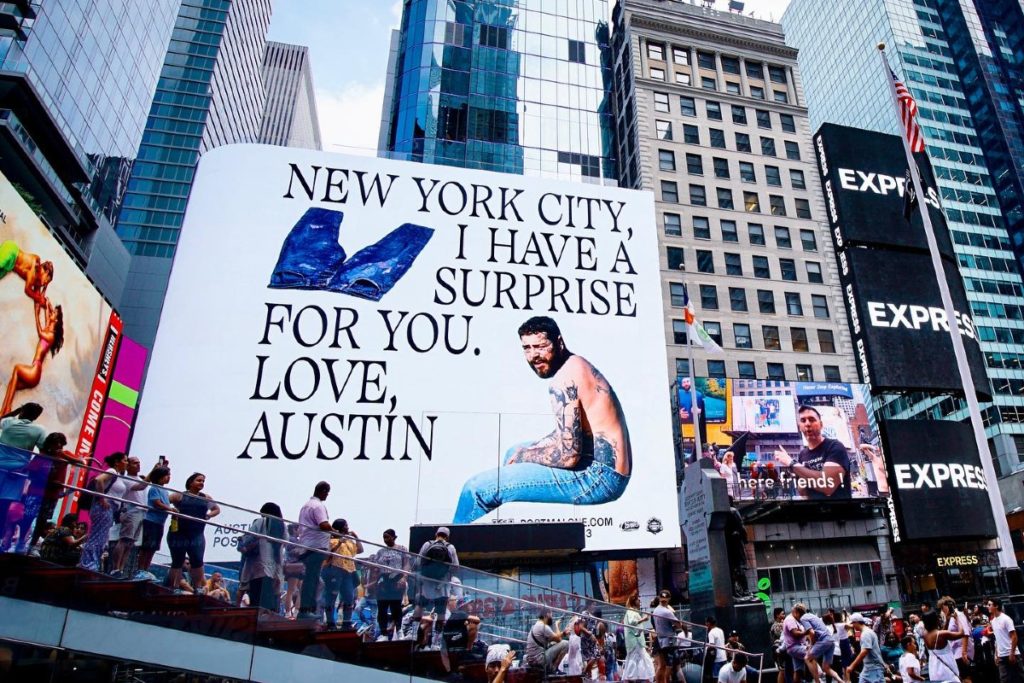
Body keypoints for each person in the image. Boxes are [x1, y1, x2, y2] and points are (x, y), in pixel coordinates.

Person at [453, 316, 632, 523]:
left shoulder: (564, 380)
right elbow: (567, 434)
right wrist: (526, 452)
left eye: (540, 346)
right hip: (604, 468)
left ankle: (443, 553)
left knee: (475, 489)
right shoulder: (577, 364)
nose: (534, 355)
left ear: (559, 342)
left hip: (598, 478)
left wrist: (526, 457)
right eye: (527, 348)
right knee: (514, 451)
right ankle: (507, 524)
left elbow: (568, 456)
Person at [771, 405, 851, 499]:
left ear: (821, 424)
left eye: (812, 419)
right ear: (800, 427)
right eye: (803, 420)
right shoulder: (802, 454)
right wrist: (800, 479)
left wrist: (791, 463)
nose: (807, 424)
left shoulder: (835, 446)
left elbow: (828, 486)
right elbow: (803, 493)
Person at [2, 299, 64, 415]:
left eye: (54, 313)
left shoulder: (51, 335)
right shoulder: (49, 328)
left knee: (17, 368)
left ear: (56, 319)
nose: (51, 313)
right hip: (34, 370)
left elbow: (40, 332)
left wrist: (36, 314)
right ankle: (2, 412)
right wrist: (48, 305)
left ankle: (8, 409)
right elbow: (47, 313)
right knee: (12, 384)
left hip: (35, 371)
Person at [165, 472, 220, 594]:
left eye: (203, 481)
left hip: (197, 534)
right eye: (199, 480)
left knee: (197, 560)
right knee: (177, 561)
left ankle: (198, 588)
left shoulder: (206, 498)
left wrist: (208, 515)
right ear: (190, 482)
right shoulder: (179, 496)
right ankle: (173, 587)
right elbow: (164, 500)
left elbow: (216, 509)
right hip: (179, 533)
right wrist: (171, 510)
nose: (201, 483)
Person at [78, 451, 127, 571]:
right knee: (97, 537)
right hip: (104, 507)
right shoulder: (112, 471)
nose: (126, 463)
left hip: (109, 508)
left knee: (100, 536)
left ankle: (90, 563)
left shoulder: (117, 474)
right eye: (124, 460)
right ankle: (88, 564)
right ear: (117, 462)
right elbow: (99, 480)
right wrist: (102, 498)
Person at [414, 526, 459, 646]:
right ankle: (436, 642)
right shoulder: (450, 547)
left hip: (426, 583)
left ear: (436, 534)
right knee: (440, 613)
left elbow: (418, 562)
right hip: (442, 586)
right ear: (447, 536)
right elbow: (455, 567)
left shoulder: (427, 544)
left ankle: (413, 633)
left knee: (420, 606)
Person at [27, 432, 72, 550]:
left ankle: (32, 545)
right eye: (56, 444)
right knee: (28, 517)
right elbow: (30, 472)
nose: (58, 447)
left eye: (61, 444)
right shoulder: (42, 456)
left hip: (52, 495)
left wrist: (63, 455)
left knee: (42, 521)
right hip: (36, 491)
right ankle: (22, 541)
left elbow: (80, 462)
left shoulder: (65, 455)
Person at [240, 502, 285, 611]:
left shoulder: (261, 522)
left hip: (260, 566)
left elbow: (248, 539)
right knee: (270, 599)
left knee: (256, 600)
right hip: (275, 568)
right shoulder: (282, 526)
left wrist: (242, 542)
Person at [296, 481, 332, 618]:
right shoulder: (318, 506)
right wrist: (334, 531)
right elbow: (323, 524)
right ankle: (305, 611)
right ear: (323, 491)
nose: (327, 495)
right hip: (315, 547)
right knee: (311, 579)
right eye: (327, 493)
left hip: (307, 546)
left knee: (313, 579)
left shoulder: (306, 506)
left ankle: (309, 610)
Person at [322, 518, 363, 630]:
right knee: (332, 596)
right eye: (345, 525)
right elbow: (327, 555)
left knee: (349, 598)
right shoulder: (330, 540)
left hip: (348, 572)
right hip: (335, 570)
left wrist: (356, 537)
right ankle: (330, 623)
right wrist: (339, 543)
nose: (348, 527)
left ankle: (346, 623)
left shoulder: (349, 541)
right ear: (340, 528)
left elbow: (360, 550)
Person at [368, 528, 409, 640]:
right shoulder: (380, 552)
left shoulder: (402, 549)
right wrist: (374, 582)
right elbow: (376, 568)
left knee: (396, 607)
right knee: (382, 608)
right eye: (384, 537)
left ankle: (399, 630)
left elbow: (406, 564)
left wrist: (404, 577)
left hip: (396, 578)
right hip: (383, 580)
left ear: (394, 537)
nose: (386, 539)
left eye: (388, 537)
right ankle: (383, 633)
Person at [110, 455, 147, 578]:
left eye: (139, 462)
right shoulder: (125, 479)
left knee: (130, 543)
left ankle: (121, 569)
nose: (138, 465)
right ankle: (115, 568)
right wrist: (155, 470)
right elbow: (141, 486)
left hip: (141, 512)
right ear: (128, 465)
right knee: (124, 540)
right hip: (131, 511)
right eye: (134, 463)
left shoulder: (139, 478)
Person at [138, 465, 172, 574]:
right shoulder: (154, 488)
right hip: (151, 521)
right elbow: (157, 503)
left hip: (159, 522)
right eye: (167, 475)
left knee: (153, 548)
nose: (169, 477)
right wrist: (170, 509)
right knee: (146, 547)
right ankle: (140, 569)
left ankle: (146, 569)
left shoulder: (165, 491)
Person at [0, 241, 53, 306]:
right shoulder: (36, 264)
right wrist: (39, 298)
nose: (44, 283)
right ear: (46, 272)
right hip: (12, 252)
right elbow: (27, 290)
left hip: (10, 266)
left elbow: (35, 290)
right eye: (46, 280)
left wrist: (45, 286)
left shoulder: (36, 280)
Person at [987, 597, 1023, 683]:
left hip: (1012, 654)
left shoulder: (1006, 619)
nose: (987, 607)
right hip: (1002, 656)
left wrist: (1012, 653)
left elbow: (1014, 636)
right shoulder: (993, 621)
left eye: (989, 605)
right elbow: (997, 639)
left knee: (1020, 677)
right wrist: (996, 654)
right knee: (1004, 680)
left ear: (996, 606)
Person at [622, 593, 655, 682]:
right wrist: (644, 619)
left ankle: (633, 678)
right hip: (635, 641)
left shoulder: (632, 611)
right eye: (638, 600)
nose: (640, 602)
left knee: (637, 659)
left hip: (636, 640)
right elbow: (632, 622)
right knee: (637, 659)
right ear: (634, 601)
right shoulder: (631, 611)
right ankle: (632, 678)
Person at [940, 596, 974, 681]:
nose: (942, 610)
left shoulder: (959, 615)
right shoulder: (949, 618)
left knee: (965, 677)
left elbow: (965, 633)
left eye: (942, 607)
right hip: (954, 652)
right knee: (960, 677)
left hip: (961, 650)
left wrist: (964, 652)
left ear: (948, 606)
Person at [922, 610, 962, 682]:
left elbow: (940, 632)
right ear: (935, 620)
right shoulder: (942, 634)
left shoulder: (925, 634)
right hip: (946, 670)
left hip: (934, 669)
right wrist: (958, 619)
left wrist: (947, 620)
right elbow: (961, 633)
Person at [847, 612, 887, 683]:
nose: (852, 626)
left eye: (852, 623)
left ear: (856, 622)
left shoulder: (866, 634)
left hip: (873, 668)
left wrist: (852, 666)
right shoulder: (867, 632)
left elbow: (864, 651)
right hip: (869, 668)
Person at [653, 589, 681, 683]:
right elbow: (677, 622)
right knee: (666, 665)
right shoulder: (665, 611)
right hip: (665, 640)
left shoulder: (656, 611)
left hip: (659, 639)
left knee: (662, 665)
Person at [679, 376, 708, 446]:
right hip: (682, 425)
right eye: (684, 382)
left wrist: (698, 411)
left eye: (687, 381)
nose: (686, 384)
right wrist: (679, 413)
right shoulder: (679, 393)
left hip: (694, 425)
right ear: (682, 384)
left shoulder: (698, 395)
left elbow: (702, 410)